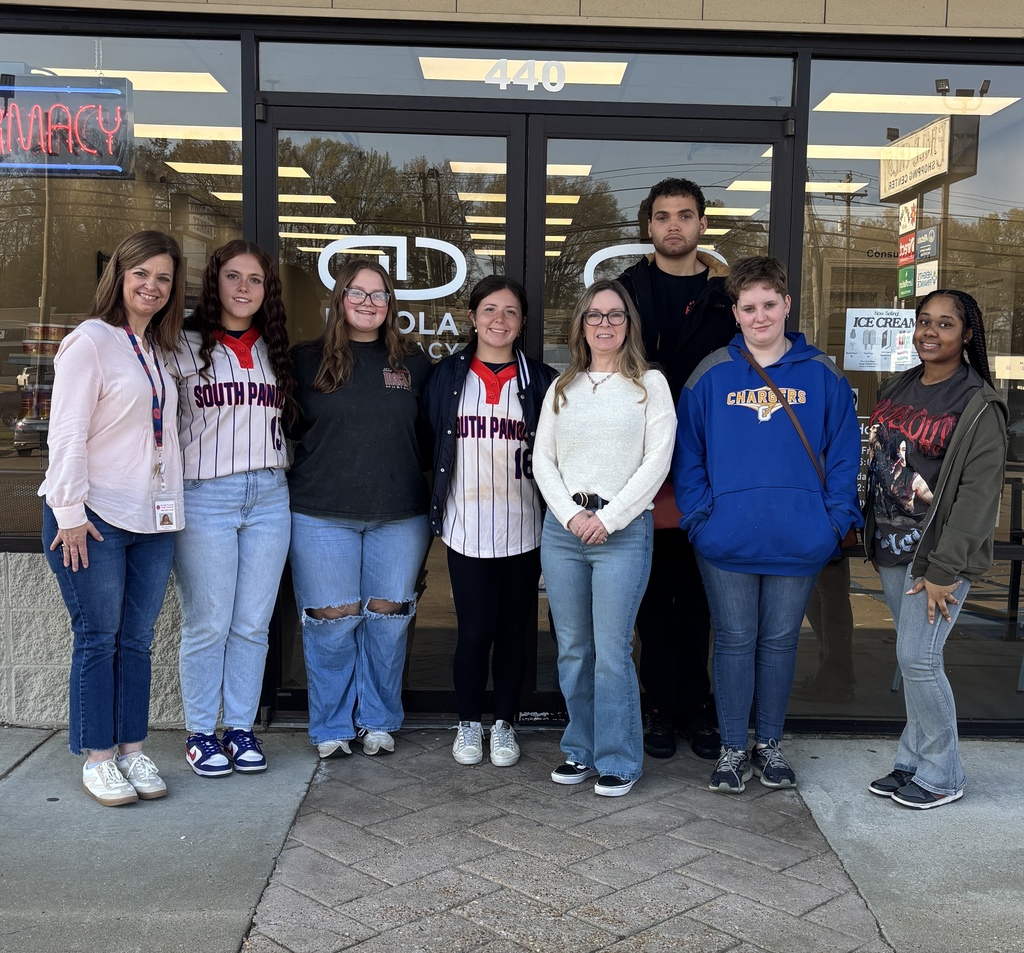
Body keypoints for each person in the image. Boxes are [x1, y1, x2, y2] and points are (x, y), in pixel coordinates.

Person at [675, 256, 861, 794]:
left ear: (786, 306)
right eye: (749, 307)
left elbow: (845, 456)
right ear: (735, 312)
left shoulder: (822, 373)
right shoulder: (710, 374)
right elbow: (688, 456)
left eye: (769, 305)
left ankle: (770, 744)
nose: (760, 317)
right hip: (725, 539)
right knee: (734, 641)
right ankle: (734, 748)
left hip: (800, 538)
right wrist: (701, 520)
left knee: (779, 643)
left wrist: (833, 522)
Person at [39, 230, 186, 806]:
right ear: (119, 276)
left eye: (164, 278)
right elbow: (68, 433)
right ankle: (98, 757)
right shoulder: (91, 341)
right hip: (92, 519)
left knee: (138, 641)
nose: (152, 286)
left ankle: (133, 747)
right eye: (142, 273)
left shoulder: (155, 349)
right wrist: (68, 512)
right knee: (98, 638)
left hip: (151, 523)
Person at [865, 290, 1006, 810]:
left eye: (945, 324)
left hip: (936, 558)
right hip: (891, 544)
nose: (931, 332)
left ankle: (944, 774)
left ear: (967, 334)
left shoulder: (977, 404)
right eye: (924, 321)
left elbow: (977, 496)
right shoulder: (901, 384)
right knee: (912, 657)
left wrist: (946, 568)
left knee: (918, 659)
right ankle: (911, 761)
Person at [533, 279, 675, 797]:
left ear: (629, 324)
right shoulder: (562, 386)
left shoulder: (649, 385)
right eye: (595, 315)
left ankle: (619, 758)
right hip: (564, 529)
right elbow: (542, 460)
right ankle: (580, 749)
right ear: (581, 324)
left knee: (612, 650)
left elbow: (655, 464)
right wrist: (570, 515)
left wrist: (608, 518)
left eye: (615, 315)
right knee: (573, 648)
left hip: (621, 531)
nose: (605, 324)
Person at [287, 258, 433, 759]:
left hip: (400, 513)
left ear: (391, 304)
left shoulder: (412, 365)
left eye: (378, 294)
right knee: (332, 622)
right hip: (321, 512)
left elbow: (431, 439)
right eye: (357, 292)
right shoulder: (303, 361)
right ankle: (330, 724)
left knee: (387, 622)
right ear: (339, 299)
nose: (368, 302)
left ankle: (378, 719)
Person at [617, 177, 734, 760]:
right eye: (662, 216)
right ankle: (659, 705)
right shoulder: (625, 293)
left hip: (708, 467)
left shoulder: (726, 300)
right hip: (639, 468)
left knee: (698, 596)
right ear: (648, 227)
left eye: (684, 216)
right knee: (650, 596)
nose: (672, 226)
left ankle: (697, 705)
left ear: (702, 226)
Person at [169, 241, 293, 778]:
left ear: (268, 291)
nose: (244, 288)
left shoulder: (277, 349)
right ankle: (201, 733)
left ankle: (239, 729)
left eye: (256, 280)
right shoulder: (180, 344)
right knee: (209, 621)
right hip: (205, 494)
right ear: (213, 282)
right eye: (234, 276)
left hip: (270, 494)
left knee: (252, 623)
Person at [424, 277, 555, 767]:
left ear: (522, 323)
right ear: (473, 317)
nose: (499, 321)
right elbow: (429, 442)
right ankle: (468, 722)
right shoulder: (446, 376)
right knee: (474, 632)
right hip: (466, 524)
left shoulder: (540, 379)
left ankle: (504, 723)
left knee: (514, 632)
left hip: (524, 526)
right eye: (489, 310)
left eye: (511, 312)